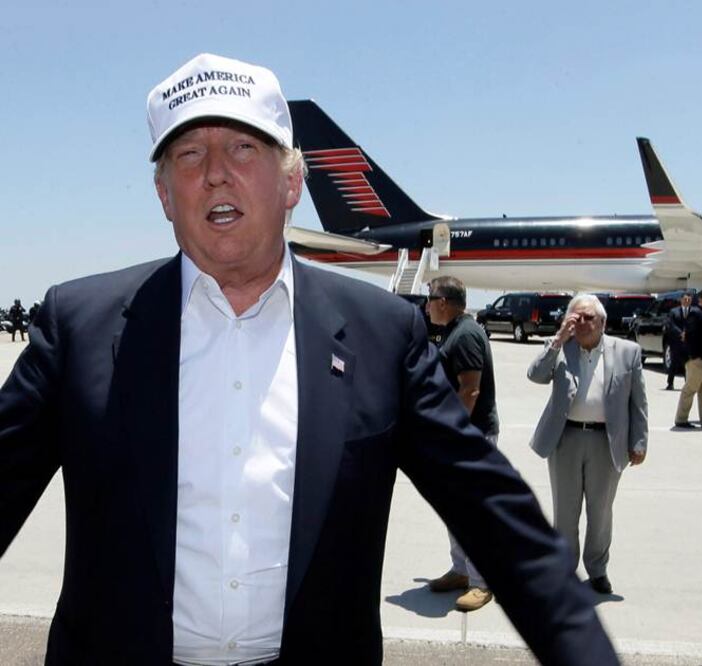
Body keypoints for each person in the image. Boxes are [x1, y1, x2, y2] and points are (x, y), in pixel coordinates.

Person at [0, 53, 617, 665]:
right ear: (164, 194)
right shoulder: (78, 326)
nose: (215, 173)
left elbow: (495, 517)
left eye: (244, 149)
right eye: (188, 156)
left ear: (292, 182)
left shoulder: (382, 334)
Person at [527, 294, 647, 595]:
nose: (581, 323)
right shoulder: (561, 349)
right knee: (565, 512)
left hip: (606, 441)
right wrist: (557, 339)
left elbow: (638, 403)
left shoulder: (627, 352)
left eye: (588, 318)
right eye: (575, 317)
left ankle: (598, 570)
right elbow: (536, 375)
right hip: (565, 438)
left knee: (600, 512)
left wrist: (639, 441)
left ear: (603, 323)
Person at [424, 276, 500, 612]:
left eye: (429, 299)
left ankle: (483, 582)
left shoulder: (467, 334)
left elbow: (470, 390)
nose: (426, 307)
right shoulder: (455, 330)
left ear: (443, 302)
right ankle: (461, 571)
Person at [675, 288, 702, 428]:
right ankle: (681, 419)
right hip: (698, 360)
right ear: (700, 300)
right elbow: (690, 337)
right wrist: (695, 356)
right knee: (690, 389)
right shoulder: (695, 313)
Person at [664, 291, 693, 390]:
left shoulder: (694, 312)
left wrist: (688, 333)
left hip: (689, 342)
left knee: (688, 363)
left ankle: (688, 384)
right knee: (674, 362)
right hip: (676, 341)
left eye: (689, 299)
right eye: (685, 299)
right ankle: (670, 383)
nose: (687, 301)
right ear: (681, 300)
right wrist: (681, 333)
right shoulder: (674, 311)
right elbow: (670, 324)